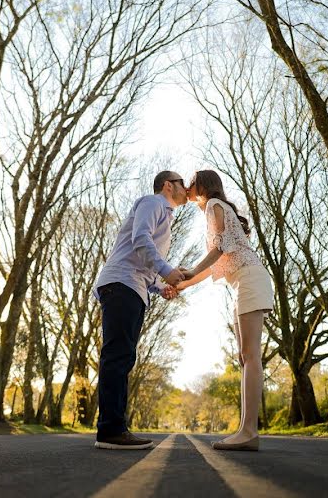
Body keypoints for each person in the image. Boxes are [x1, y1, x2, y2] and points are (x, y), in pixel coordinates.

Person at [165, 170, 273, 451]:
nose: (187, 187)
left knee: (250, 356)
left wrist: (189, 271)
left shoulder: (214, 206)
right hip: (243, 280)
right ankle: (245, 430)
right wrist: (184, 284)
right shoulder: (216, 210)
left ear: (203, 186)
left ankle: (249, 432)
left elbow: (219, 249)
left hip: (249, 278)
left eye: (191, 182)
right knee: (245, 357)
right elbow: (217, 261)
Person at [93, 170, 189, 450]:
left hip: (132, 287)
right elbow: (140, 239)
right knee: (117, 356)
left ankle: (115, 428)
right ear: (169, 185)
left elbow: (143, 263)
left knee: (123, 358)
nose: (188, 188)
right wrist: (167, 270)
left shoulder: (165, 215)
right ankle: (111, 431)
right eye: (183, 183)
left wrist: (160, 286)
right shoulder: (153, 202)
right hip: (121, 284)